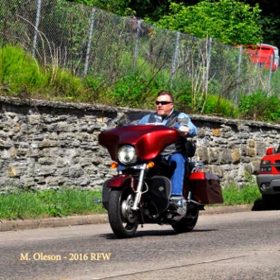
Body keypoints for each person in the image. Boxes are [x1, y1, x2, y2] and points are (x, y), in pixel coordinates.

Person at [137, 90, 197, 210]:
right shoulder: (148, 118)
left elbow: (192, 128)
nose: (159, 105)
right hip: (152, 156)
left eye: (164, 102)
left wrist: (185, 129)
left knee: (177, 159)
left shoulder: (179, 116)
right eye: (157, 102)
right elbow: (136, 128)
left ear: (171, 105)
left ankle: (176, 198)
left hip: (171, 153)